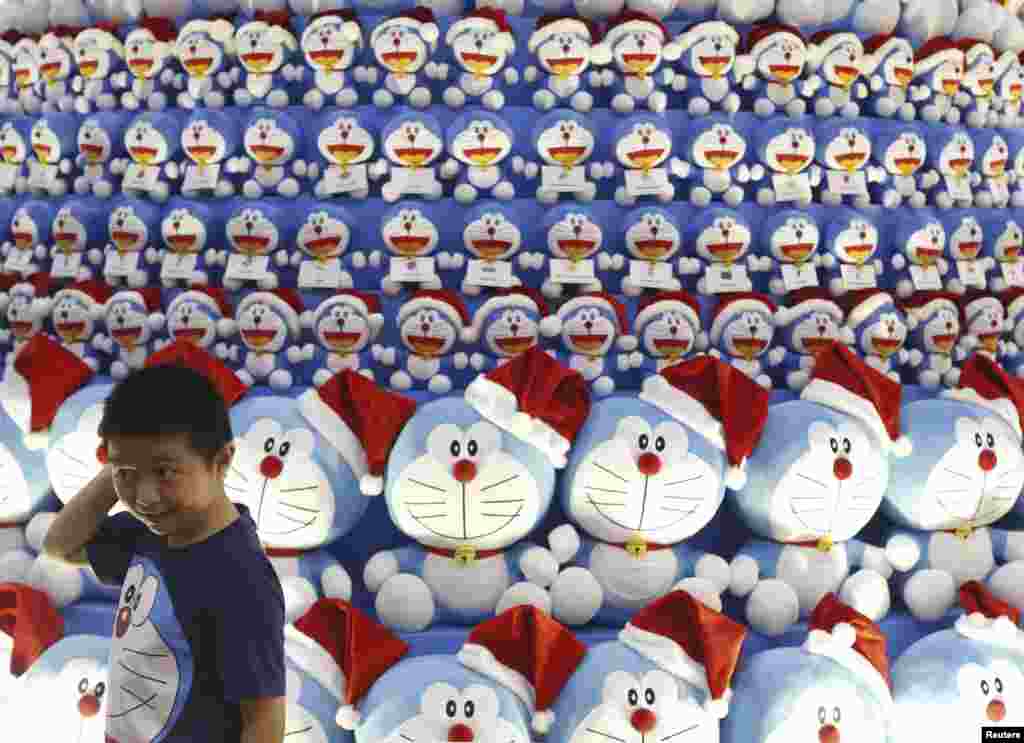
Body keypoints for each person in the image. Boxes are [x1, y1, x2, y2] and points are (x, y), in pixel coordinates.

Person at [43, 362, 286, 743]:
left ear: (221, 461)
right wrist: (120, 467)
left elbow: (264, 722)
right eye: (128, 474)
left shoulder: (241, 575)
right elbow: (59, 545)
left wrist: (131, 461)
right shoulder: (153, 534)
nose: (145, 497)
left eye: (166, 472)